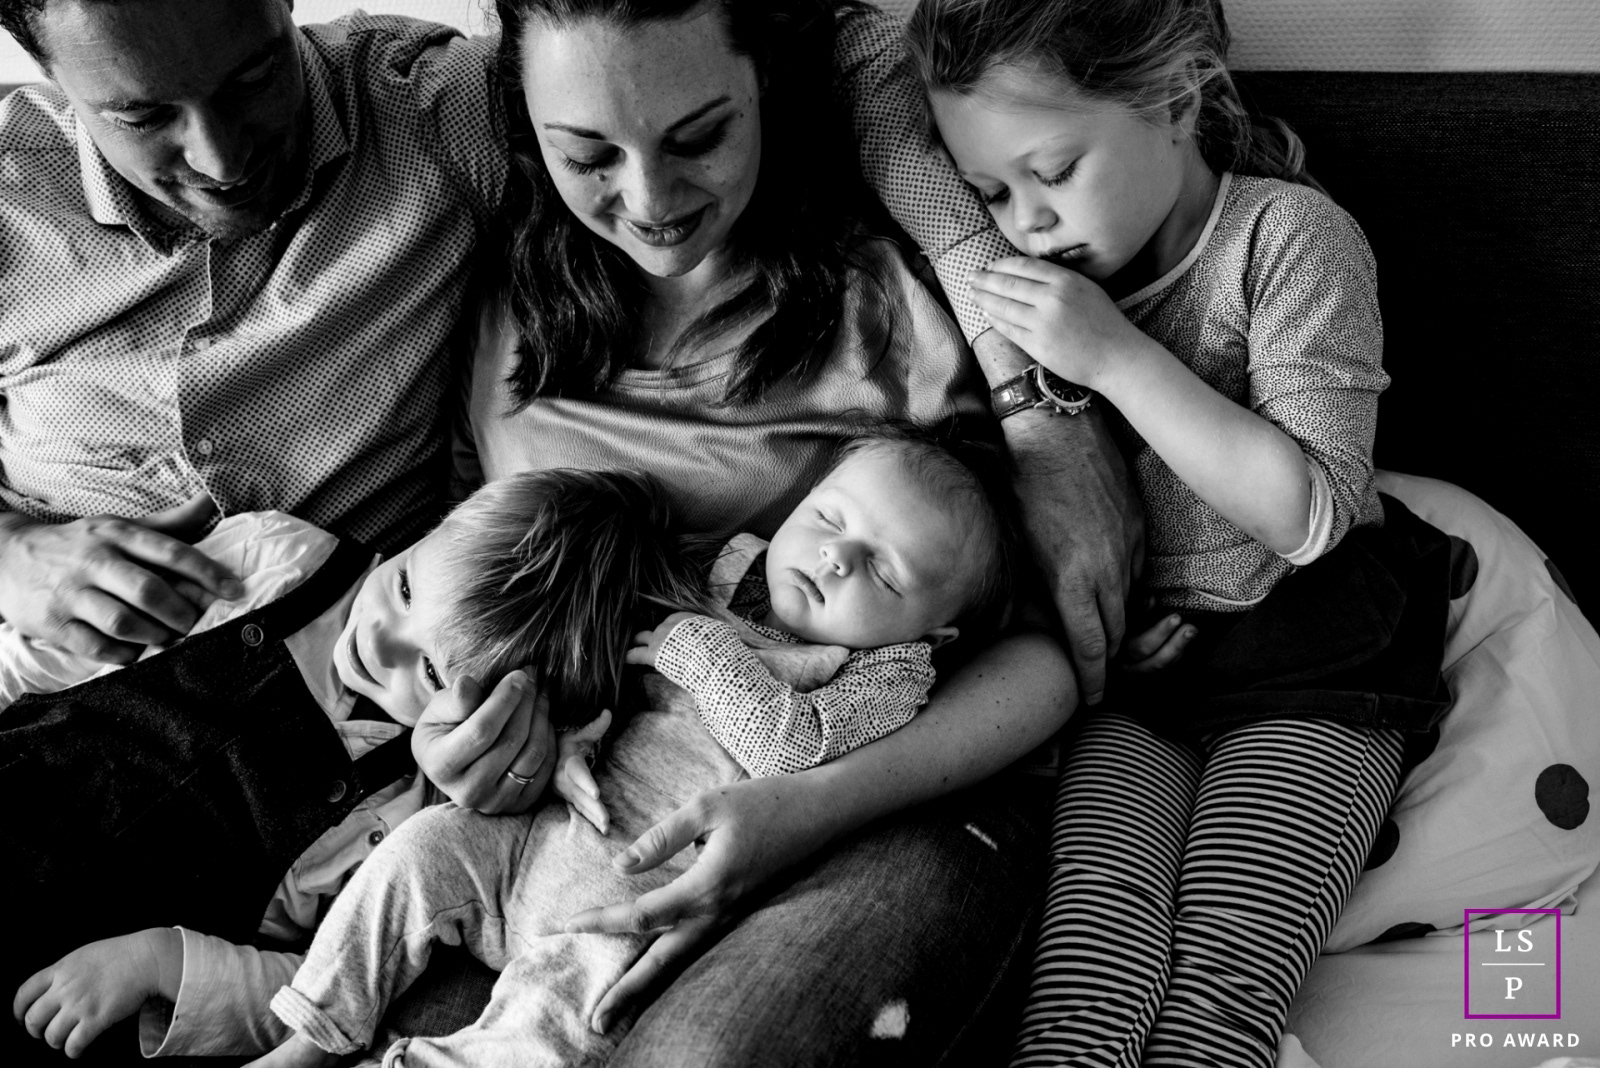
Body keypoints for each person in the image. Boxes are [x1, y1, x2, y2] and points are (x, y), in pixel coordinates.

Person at [907, 0, 1455, 1064]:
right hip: (1141, 687)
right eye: (991, 193)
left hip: (1312, 662)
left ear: (1176, 97)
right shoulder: (1032, 282)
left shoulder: (1286, 239)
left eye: (1053, 172)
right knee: (1082, 986)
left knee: (1219, 989)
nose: (1025, 225)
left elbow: (1311, 511)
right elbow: (880, 107)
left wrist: (1114, 358)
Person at [252, 427, 1023, 1068]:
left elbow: (790, 746)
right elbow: (608, 663)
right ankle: (309, 1036)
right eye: (828, 518)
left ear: (934, 634)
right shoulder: (729, 566)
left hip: (637, 899)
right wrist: (565, 741)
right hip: (544, 834)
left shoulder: (890, 675)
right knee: (420, 851)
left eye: (883, 571)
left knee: (558, 1025)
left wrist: (698, 649)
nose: (836, 558)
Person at [5, 470, 686, 1060]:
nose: (380, 637)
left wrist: (163, 964)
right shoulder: (281, 558)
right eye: (408, 587)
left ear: (507, 718)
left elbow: (327, 983)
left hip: (78, 974)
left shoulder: (417, 820)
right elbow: (46, 656)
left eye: (429, 669)